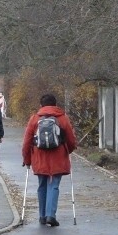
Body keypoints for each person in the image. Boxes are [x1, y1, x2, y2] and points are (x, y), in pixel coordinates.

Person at [21, 93, 78, 227]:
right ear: (55, 104)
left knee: (42, 185)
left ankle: (42, 216)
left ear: (41, 105)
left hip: (39, 158)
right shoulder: (63, 118)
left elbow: (26, 142)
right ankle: (51, 215)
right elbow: (71, 139)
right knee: (54, 185)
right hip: (58, 158)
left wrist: (27, 159)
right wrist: (67, 151)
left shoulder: (35, 119)